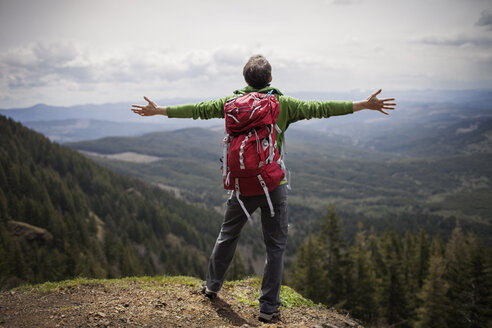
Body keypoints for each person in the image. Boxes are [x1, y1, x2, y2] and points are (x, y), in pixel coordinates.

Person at [131, 55, 396, 323]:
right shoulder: (281, 104)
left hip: (241, 186)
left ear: (245, 79)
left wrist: (160, 110)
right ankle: (268, 309)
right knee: (275, 246)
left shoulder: (230, 104)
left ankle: (212, 286)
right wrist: (363, 105)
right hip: (272, 186)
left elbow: (197, 109)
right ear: (270, 79)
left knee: (228, 234)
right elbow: (321, 107)